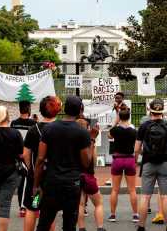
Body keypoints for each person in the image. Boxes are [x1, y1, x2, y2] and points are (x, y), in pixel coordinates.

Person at [33, 96, 98, 231]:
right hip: (72, 184)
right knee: (69, 225)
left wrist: (36, 185)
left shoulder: (49, 129)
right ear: (80, 110)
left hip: (52, 182)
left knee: (44, 223)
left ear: (64, 108)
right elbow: (86, 162)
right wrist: (92, 139)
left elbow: (40, 159)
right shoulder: (82, 132)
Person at [135, 98, 167, 231]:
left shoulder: (144, 126)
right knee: (165, 196)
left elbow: (136, 149)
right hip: (165, 163)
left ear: (150, 110)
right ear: (162, 111)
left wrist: (145, 153)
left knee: (145, 196)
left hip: (148, 163)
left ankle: (141, 227)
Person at [22, 96, 61, 231]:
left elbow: (26, 154)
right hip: (55, 177)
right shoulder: (61, 128)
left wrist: (30, 169)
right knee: (50, 211)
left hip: (37, 180)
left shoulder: (33, 130)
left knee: (33, 207)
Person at [108, 106, 139, 223]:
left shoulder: (115, 130)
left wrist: (115, 122)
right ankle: (135, 214)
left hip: (118, 159)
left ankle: (112, 214)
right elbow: (136, 148)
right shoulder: (133, 132)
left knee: (115, 189)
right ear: (129, 117)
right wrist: (135, 160)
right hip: (129, 159)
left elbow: (109, 135)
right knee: (132, 190)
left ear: (119, 117)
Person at [76, 117, 105, 231]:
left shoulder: (72, 142)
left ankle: (82, 228)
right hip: (88, 176)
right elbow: (93, 161)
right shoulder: (89, 142)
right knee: (98, 203)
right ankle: (100, 227)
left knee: (80, 204)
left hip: (76, 176)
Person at [10, 100, 37, 217]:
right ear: (29, 109)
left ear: (20, 109)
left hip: (17, 156)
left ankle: (22, 207)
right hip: (30, 156)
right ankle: (35, 205)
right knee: (34, 181)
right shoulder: (33, 124)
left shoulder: (14, 123)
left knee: (22, 183)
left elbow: (12, 139)